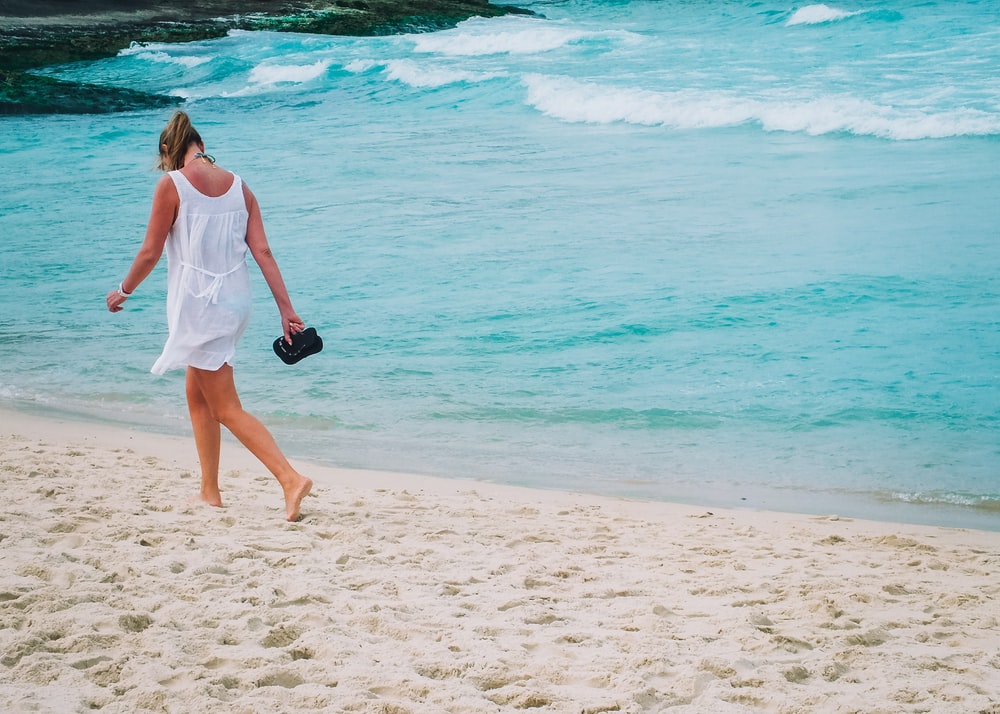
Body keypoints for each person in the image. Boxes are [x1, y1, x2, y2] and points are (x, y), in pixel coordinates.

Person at [106, 110, 313, 522]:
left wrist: (124, 290)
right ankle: (209, 492)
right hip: (236, 302)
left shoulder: (173, 184)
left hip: (200, 304)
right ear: (200, 144)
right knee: (197, 396)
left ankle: (289, 478)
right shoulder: (241, 187)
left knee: (225, 406)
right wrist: (285, 309)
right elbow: (264, 253)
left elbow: (150, 251)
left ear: (169, 149)